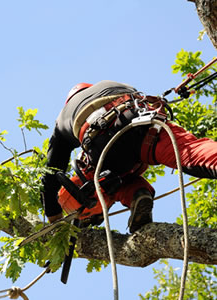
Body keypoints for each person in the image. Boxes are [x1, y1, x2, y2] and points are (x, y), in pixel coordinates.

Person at [42, 80, 217, 233]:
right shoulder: (110, 84)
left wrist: (53, 215)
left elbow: (51, 171)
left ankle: (137, 195)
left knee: (105, 178)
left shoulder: (63, 117)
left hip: (102, 148)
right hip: (140, 122)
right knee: (189, 151)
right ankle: (137, 194)